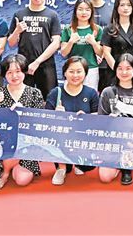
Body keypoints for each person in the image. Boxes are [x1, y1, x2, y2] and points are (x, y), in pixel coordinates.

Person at [0, 54, 45, 190]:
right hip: (2, 143)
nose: (14, 76)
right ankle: (4, 172)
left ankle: (16, 166)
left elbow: (40, 121)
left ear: (24, 72)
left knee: (22, 180)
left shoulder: (34, 93)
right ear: (4, 74)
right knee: (7, 141)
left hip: (26, 144)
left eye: (18, 71)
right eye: (9, 72)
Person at [98, 54, 133, 186]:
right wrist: (109, 120)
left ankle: (126, 167)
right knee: (105, 177)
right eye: (120, 68)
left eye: (128, 68)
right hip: (112, 140)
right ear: (115, 70)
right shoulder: (107, 92)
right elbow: (100, 121)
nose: (124, 72)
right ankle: (119, 164)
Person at [45, 57, 99, 185]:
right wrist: (57, 116)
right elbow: (45, 121)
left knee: (89, 166)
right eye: (71, 71)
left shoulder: (91, 93)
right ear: (64, 73)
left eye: (79, 71)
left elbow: (98, 119)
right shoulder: (56, 93)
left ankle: (79, 164)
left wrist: (87, 118)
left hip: (83, 138)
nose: (75, 75)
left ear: (85, 73)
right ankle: (61, 168)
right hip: (61, 140)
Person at [7, 0, 61, 99]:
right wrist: (17, 31)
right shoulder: (19, 14)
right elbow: (11, 43)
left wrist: (37, 62)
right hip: (23, 65)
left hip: (46, 65)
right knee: (23, 100)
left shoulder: (52, 15)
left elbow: (56, 43)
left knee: (49, 100)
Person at [101, 0, 133, 91]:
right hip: (114, 72)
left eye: (129, 5)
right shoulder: (109, 29)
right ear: (117, 7)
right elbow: (106, 53)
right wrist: (119, 70)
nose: (126, 8)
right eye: (122, 5)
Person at [60, 0, 103, 91]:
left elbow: (101, 53)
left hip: (91, 68)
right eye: (80, 9)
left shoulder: (97, 29)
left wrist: (93, 43)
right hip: (72, 69)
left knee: (90, 96)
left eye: (87, 9)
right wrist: (71, 41)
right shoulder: (68, 29)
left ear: (91, 12)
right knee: (71, 94)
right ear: (75, 11)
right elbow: (63, 53)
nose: (84, 12)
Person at [86, 0, 113, 87]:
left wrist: (103, 53)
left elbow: (113, 35)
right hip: (86, 60)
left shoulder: (112, 10)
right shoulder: (82, 10)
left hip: (106, 61)